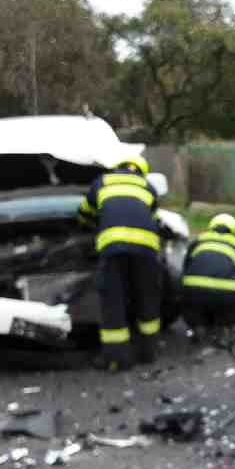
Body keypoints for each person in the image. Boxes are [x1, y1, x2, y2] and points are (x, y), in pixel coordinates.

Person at [78, 156, 163, 372]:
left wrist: (92, 225)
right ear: (140, 171)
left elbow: (84, 213)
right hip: (146, 249)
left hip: (114, 248)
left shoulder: (102, 181)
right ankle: (148, 352)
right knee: (147, 297)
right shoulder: (148, 186)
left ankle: (118, 359)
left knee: (113, 301)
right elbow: (153, 217)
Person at [180, 213, 235, 335]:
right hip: (226, 296)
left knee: (186, 288)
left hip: (193, 294)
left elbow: (186, 267)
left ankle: (198, 324)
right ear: (234, 229)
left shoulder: (198, 240)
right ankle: (232, 323)